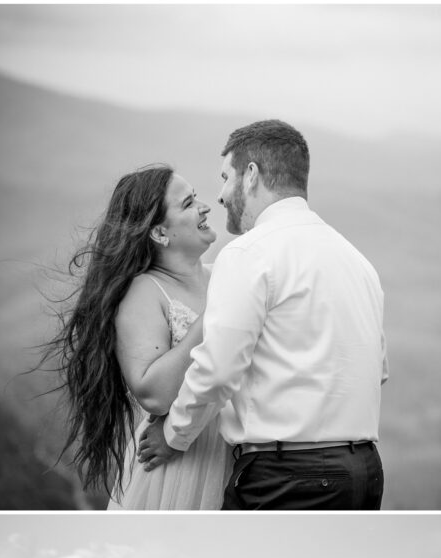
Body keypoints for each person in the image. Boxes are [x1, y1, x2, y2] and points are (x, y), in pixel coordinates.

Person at [137, 119, 389, 510]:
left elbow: (218, 369)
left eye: (226, 177)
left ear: (251, 176)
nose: (220, 196)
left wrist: (174, 435)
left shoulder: (247, 254)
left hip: (285, 477)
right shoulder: (357, 262)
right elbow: (378, 369)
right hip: (365, 474)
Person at [50, 165, 232, 508]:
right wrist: (219, 314)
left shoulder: (224, 276)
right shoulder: (144, 291)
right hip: (183, 469)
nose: (205, 207)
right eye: (189, 203)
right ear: (160, 234)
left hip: (240, 454)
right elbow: (154, 393)